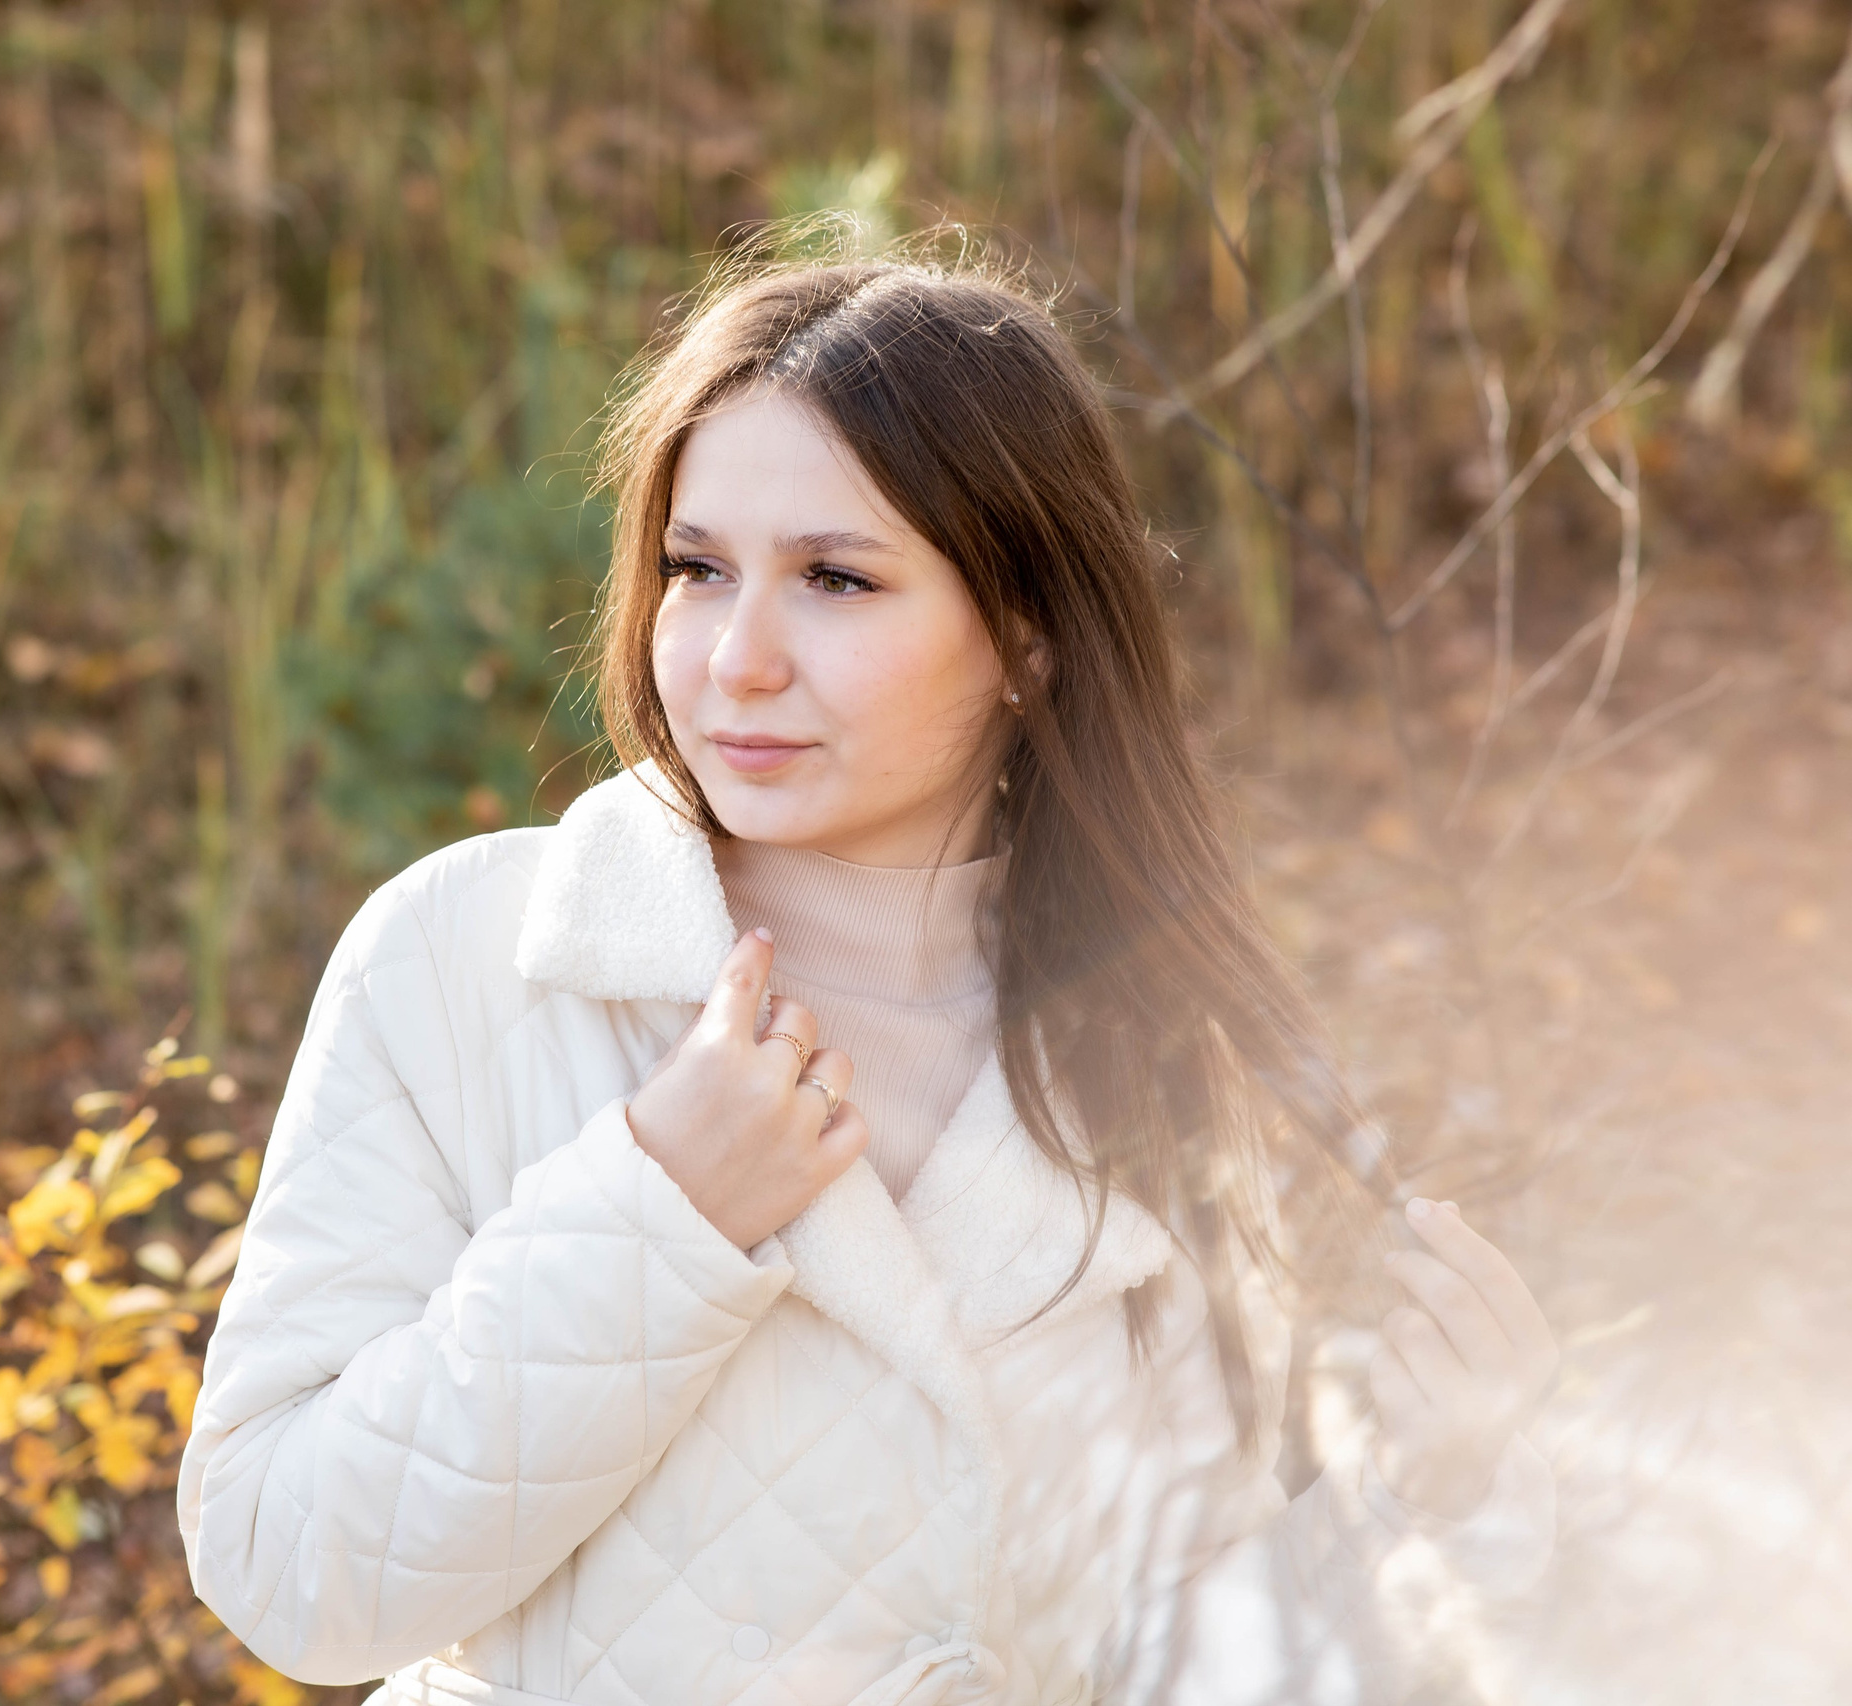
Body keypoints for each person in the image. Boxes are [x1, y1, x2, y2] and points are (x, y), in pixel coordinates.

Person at [177, 257, 1559, 1704]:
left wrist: (1424, 1494)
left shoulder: (1146, 1043)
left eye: (833, 578)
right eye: (696, 569)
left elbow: (1160, 1655)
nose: (736, 656)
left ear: (1027, 636)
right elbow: (289, 1575)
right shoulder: (469, 955)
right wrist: (659, 1213)